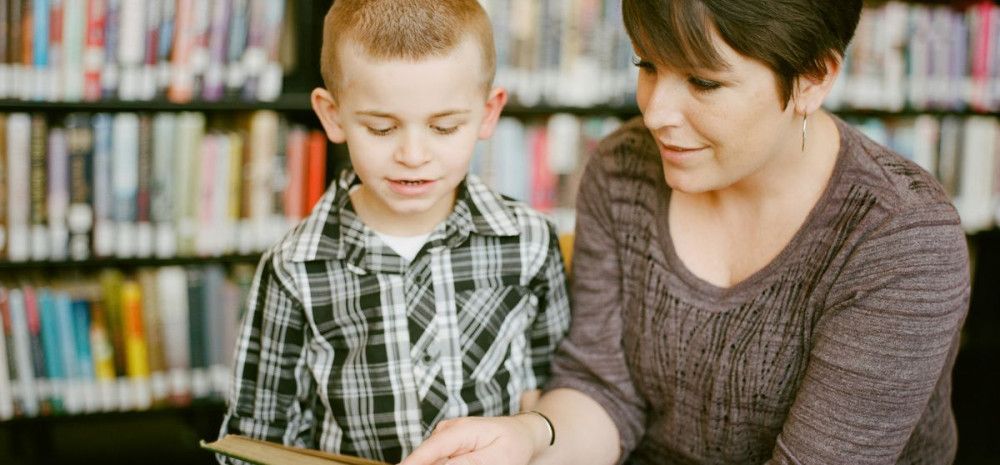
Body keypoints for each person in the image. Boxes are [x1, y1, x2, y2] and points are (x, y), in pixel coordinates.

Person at [400, 0, 971, 464]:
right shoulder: (623, 168)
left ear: (812, 79)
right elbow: (603, 391)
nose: (654, 113)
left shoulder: (900, 238)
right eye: (647, 66)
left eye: (702, 82)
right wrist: (529, 437)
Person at [218, 1, 571, 462]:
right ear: (333, 115)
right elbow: (254, 438)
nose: (412, 154)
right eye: (382, 128)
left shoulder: (529, 241)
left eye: (444, 127)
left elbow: (556, 385)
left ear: (488, 114)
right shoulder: (294, 268)